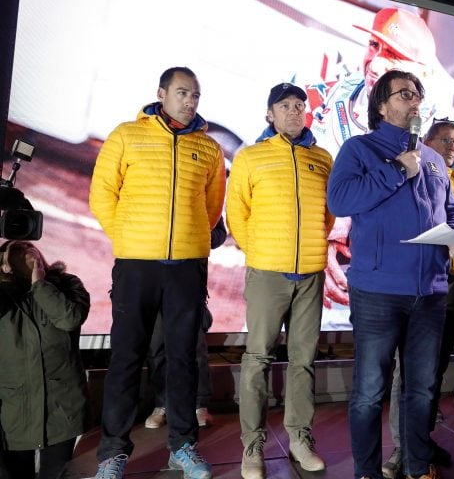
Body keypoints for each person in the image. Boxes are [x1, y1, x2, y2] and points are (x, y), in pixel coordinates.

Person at [327, 69, 454, 479]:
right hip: (378, 292)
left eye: (417, 95)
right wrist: (396, 170)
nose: (414, 101)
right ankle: (367, 472)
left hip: (430, 293)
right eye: (404, 94)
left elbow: (450, 209)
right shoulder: (360, 149)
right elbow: (340, 199)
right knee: (370, 393)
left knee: (423, 390)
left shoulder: (434, 158)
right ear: (382, 105)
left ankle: (417, 465)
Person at [89, 66, 226, 479]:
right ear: (161, 93)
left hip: (186, 269)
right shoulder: (126, 135)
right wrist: (131, 239)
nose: (190, 101)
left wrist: (189, 243)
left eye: (196, 95)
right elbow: (101, 195)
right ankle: (113, 454)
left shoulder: (208, 148)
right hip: (136, 266)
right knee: (127, 360)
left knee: (183, 360)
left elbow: (212, 207)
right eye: (183, 92)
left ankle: (183, 447)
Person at [308, 6, 450, 311]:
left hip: (398, 275)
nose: (376, 63)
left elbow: (438, 205)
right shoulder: (326, 100)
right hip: (320, 266)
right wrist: (320, 240)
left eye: (394, 56)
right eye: (375, 46)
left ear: (421, 75)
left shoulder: (435, 133)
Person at [226, 82, 334, 479]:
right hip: (268, 272)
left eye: (299, 106)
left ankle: (300, 440)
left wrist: (309, 250)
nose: (294, 111)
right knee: (257, 359)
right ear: (269, 114)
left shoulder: (322, 158)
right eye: (285, 106)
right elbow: (236, 213)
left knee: (303, 362)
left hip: (310, 274)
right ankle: (252, 446)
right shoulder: (251, 157)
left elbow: (327, 216)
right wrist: (261, 252)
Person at [383, 120, 454, 478]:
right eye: (444, 140)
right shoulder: (409, 172)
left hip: (446, 287)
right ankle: (403, 450)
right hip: (408, 284)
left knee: (428, 376)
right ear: (427, 141)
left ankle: (422, 443)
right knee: (405, 375)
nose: (451, 147)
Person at [0, 240, 90, 479]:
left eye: (28, 248)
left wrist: (39, 285)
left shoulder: (67, 285)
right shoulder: (4, 296)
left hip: (61, 407)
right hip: (13, 410)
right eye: (15, 254)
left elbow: (69, 319)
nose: (25, 253)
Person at [144, 217, 227, 430]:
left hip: (188, 281)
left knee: (194, 345)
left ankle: (199, 404)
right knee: (156, 345)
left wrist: (192, 234)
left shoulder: (198, 194)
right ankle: (162, 403)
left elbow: (219, 234)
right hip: (152, 280)